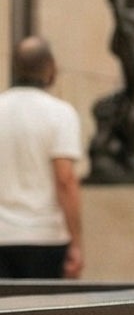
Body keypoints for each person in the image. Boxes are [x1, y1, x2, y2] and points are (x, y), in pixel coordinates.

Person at [0, 37, 84, 279]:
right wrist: (77, 243)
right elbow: (66, 180)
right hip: (45, 238)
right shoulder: (60, 113)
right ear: (51, 67)